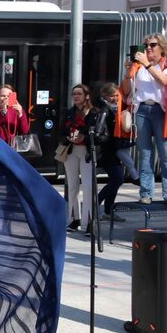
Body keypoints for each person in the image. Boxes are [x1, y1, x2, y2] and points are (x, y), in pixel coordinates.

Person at [121, 34, 167, 204]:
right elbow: (126, 91)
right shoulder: (138, 66)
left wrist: (147, 64)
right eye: (146, 45)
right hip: (142, 110)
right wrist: (128, 73)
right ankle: (146, 193)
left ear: (162, 47)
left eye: (153, 45)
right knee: (145, 154)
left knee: (166, 154)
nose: (148, 48)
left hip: (161, 111)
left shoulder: (165, 64)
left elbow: (164, 80)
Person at [60, 84, 96, 231]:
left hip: (87, 151)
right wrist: (68, 138)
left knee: (88, 187)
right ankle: (73, 219)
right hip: (71, 151)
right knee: (72, 186)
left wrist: (84, 138)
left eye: (79, 94)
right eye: (74, 94)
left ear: (86, 96)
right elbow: (60, 132)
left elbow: (101, 135)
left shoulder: (94, 113)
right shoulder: (69, 113)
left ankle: (88, 223)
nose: (76, 96)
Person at [93, 83, 130, 222]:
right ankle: (96, 206)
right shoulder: (104, 110)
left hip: (113, 149)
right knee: (118, 179)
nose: (115, 98)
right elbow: (100, 131)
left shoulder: (116, 109)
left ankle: (108, 211)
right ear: (105, 96)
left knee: (115, 180)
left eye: (117, 95)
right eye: (112, 96)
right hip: (107, 150)